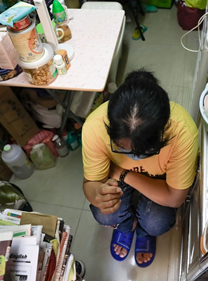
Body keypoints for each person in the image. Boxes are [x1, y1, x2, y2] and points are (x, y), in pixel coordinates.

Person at [82, 70, 198, 268]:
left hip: (152, 178)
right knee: (103, 214)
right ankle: (127, 226)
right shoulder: (94, 126)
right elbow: (90, 184)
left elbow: (175, 197)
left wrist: (123, 173)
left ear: (163, 132)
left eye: (144, 151)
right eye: (122, 148)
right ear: (110, 129)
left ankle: (144, 231)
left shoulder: (182, 130)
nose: (133, 156)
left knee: (156, 223)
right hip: (117, 174)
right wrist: (97, 194)